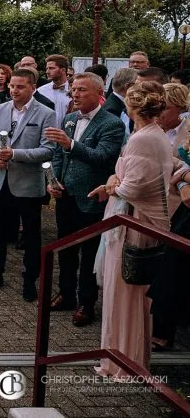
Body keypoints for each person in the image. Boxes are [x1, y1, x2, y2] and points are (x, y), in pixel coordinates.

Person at [89, 81, 172, 379]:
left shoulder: (142, 139)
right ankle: (126, 358)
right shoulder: (153, 134)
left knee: (125, 296)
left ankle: (122, 363)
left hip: (131, 225)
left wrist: (112, 185)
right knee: (132, 297)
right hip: (135, 220)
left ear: (131, 106)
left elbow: (133, 186)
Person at [45, 72, 125, 326]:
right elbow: (58, 155)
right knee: (65, 249)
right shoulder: (69, 119)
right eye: (74, 90)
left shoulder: (112, 124)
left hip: (92, 197)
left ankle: (86, 303)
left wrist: (71, 145)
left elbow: (103, 157)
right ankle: (66, 294)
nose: (75, 94)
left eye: (81, 90)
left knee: (89, 253)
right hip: (66, 196)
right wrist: (53, 181)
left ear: (99, 94)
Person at [0, 68, 55, 301]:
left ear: (32, 88)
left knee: (31, 234)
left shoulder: (45, 113)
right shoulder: (0, 109)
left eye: (20, 87)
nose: (14, 90)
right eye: (11, 86)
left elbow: (49, 149)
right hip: (1, 181)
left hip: (28, 184)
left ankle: (30, 279)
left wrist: (15, 154)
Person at [149, 82, 190, 351]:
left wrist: (183, 178)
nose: (159, 111)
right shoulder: (151, 129)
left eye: (164, 106)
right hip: (153, 204)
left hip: (179, 209)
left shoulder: (187, 131)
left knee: (173, 269)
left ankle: (166, 330)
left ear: (176, 106)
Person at [37, 54, 72, 128]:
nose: (47, 72)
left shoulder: (74, 90)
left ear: (63, 70)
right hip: (46, 134)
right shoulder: (41, 91)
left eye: (51, 68)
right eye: (47, 68)